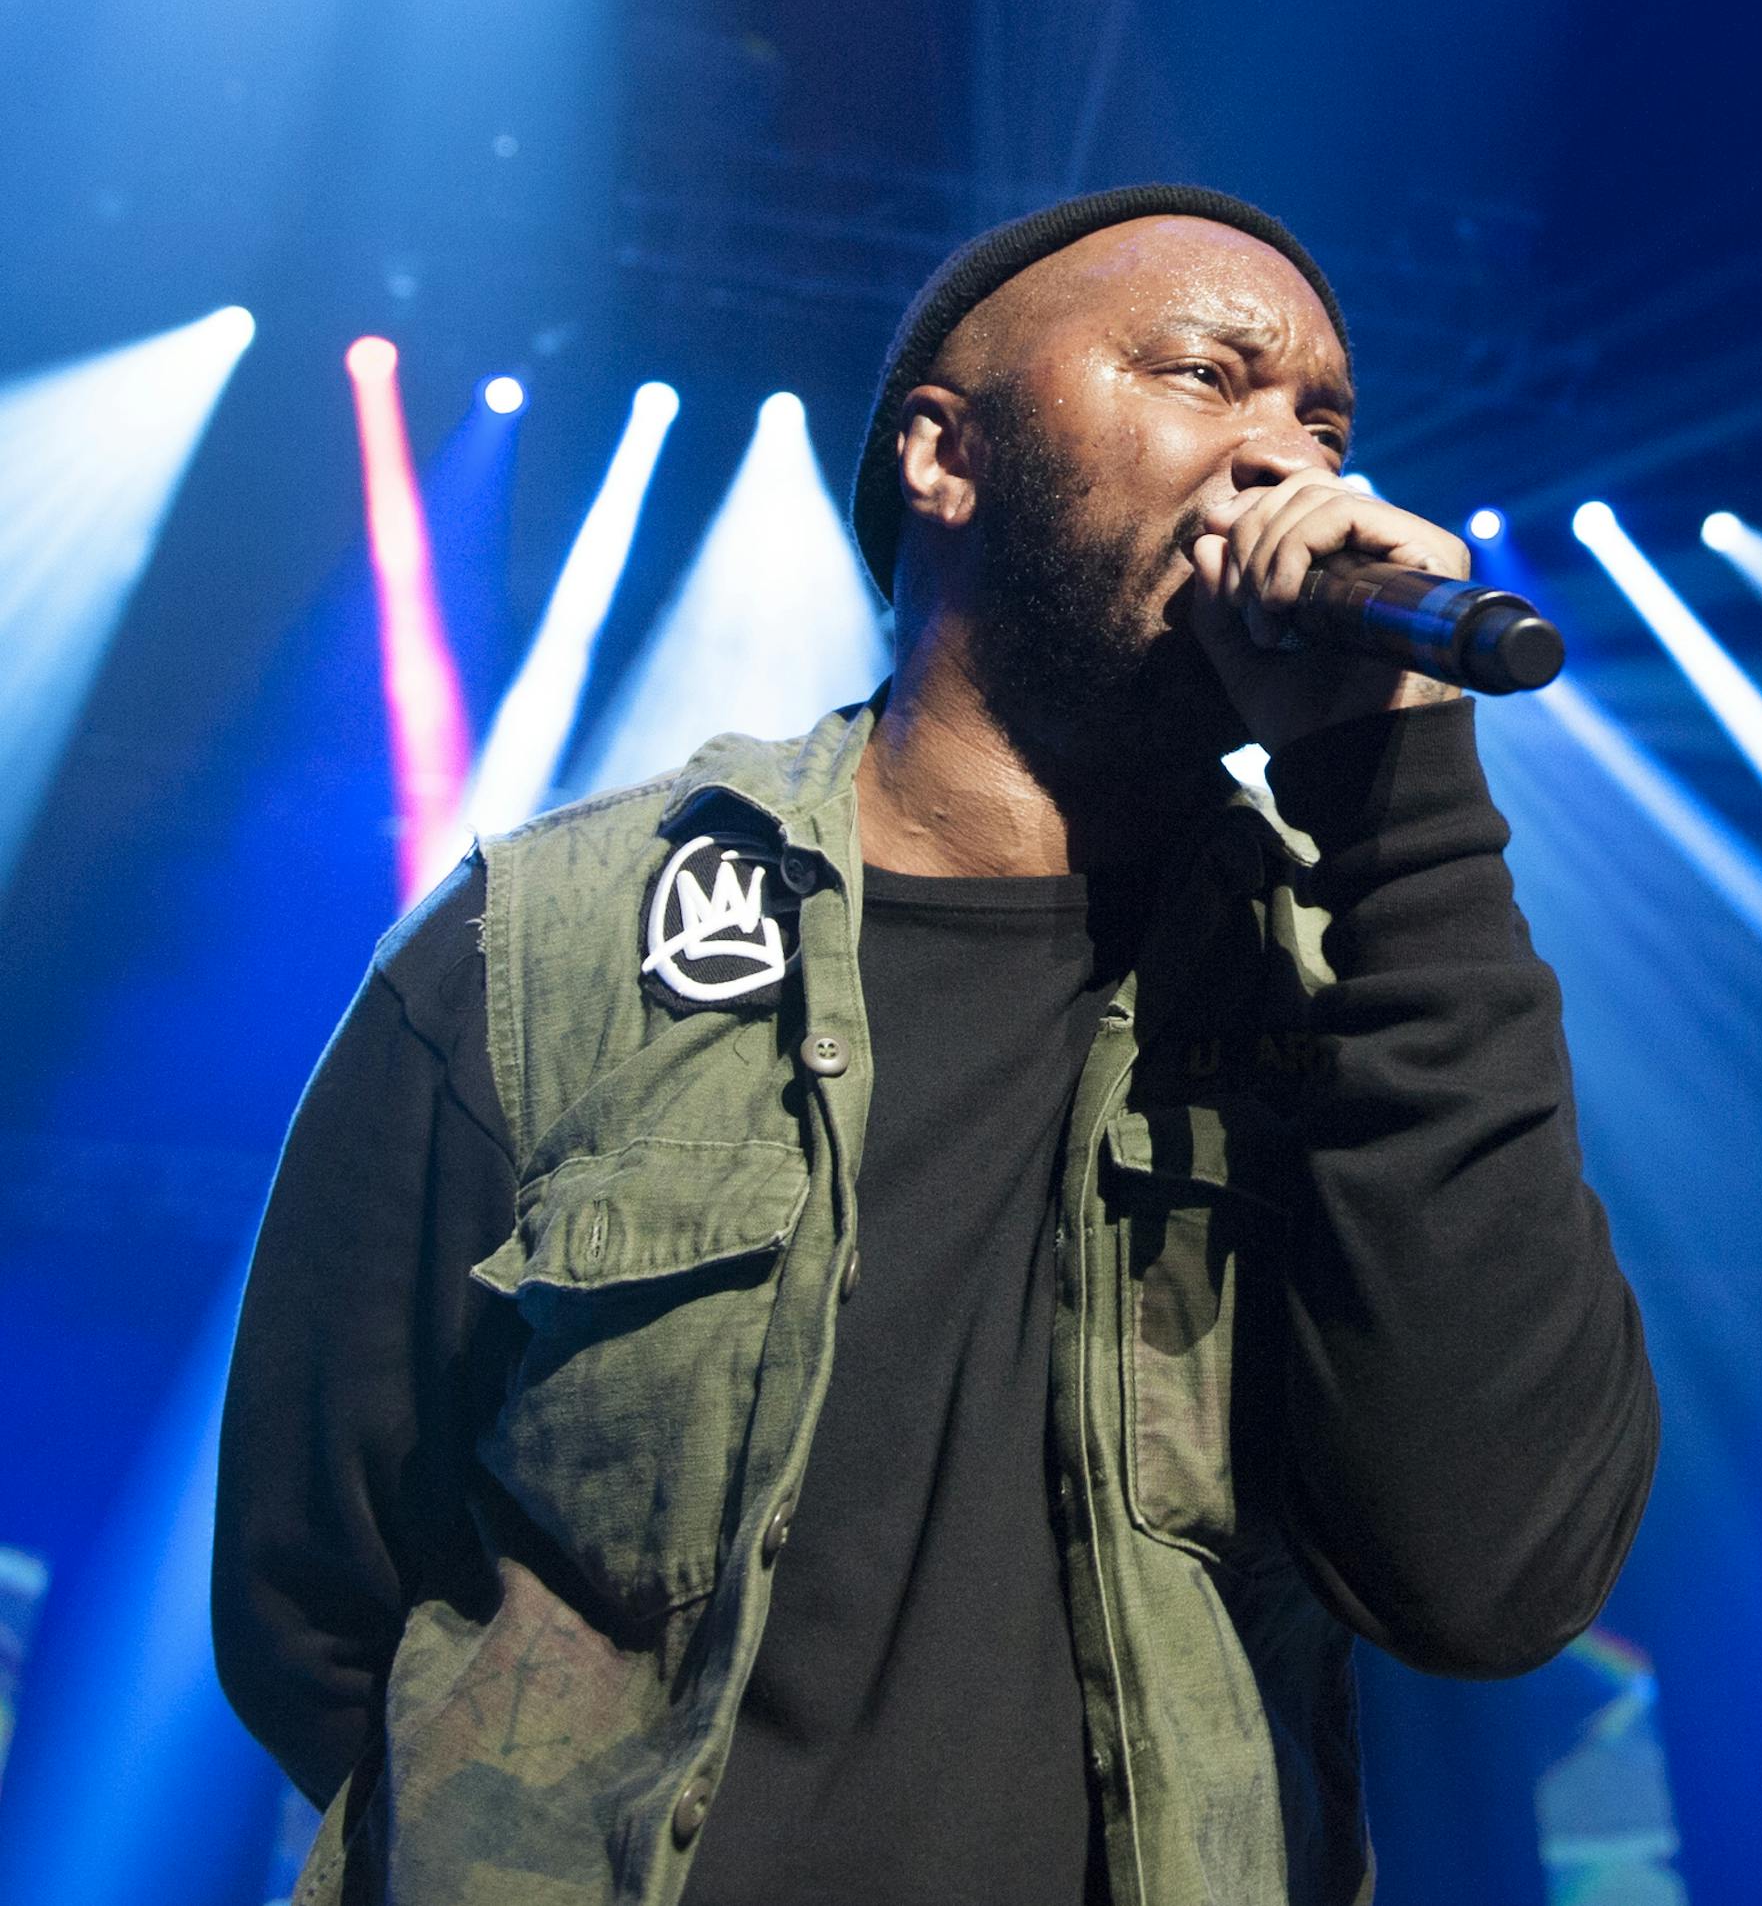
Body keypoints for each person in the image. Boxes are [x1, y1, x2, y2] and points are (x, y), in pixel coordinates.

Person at [214, 183, 1659, 1906]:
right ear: (942, 458)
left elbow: (1490, 1577)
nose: (1289, 461)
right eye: (1208, 376)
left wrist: (1403, 814)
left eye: (1325, 417)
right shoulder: (544, 947)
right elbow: (314, 1593)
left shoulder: (1374, 979)